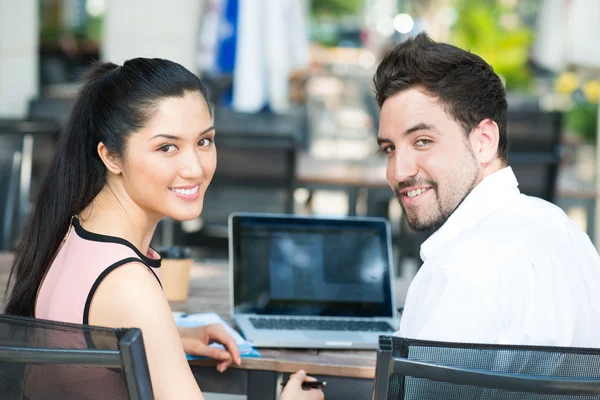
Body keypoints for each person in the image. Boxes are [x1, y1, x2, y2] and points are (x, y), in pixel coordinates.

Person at [5, 58, 323, 400]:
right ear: (111, 156)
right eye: (166, 147)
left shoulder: (75, 229)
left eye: (204, 141)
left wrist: (170, 337)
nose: (195, 168)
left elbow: (86, 336)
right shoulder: (128, 282)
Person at [374, 32, 600, 346]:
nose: (398, 171)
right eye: (389, 149)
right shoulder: (567, 233)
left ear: (484, 141)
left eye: (422, 141)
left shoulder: (456, 274)